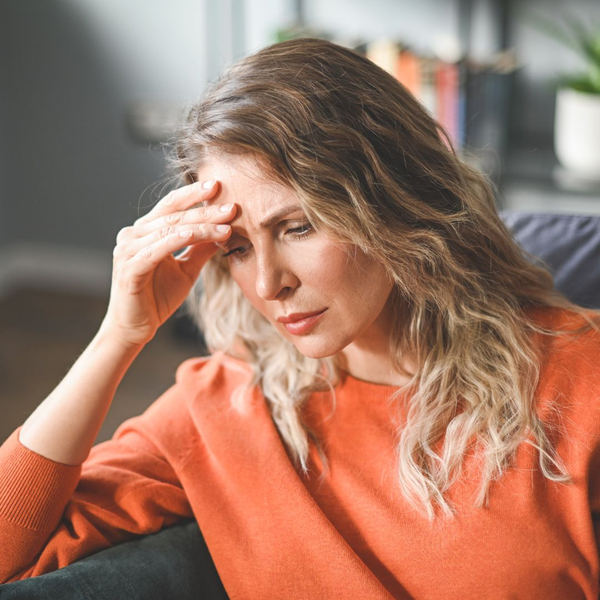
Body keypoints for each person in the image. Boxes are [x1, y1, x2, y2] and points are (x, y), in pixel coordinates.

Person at [0, 37, 599, 599]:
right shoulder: (225, 406)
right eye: (236, 246)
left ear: (396, 199)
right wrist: (117, 337)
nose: (268, 284)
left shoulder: (578, 379)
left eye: (298, 226)